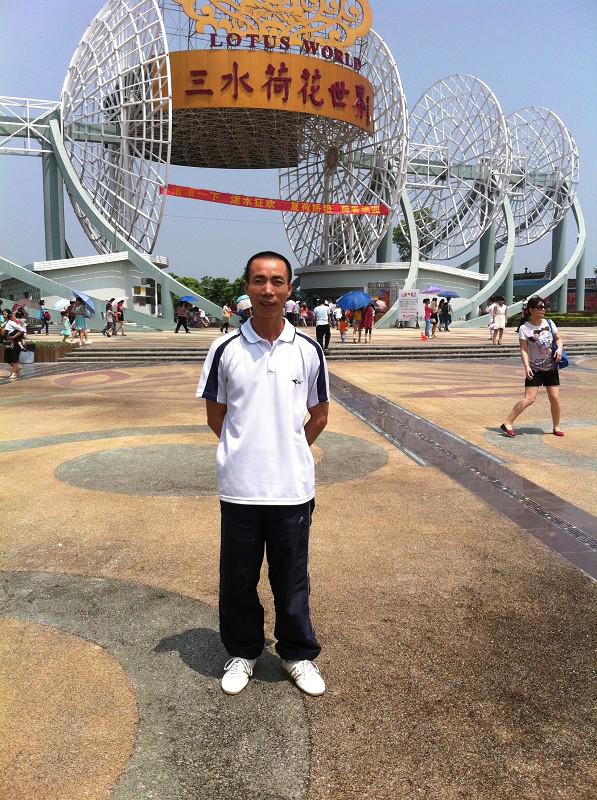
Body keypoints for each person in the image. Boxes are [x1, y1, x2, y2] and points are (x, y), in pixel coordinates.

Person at [197, 250, 329, 698]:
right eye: (259, 281)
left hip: (291, 488)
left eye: (276, 281)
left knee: (291, 578)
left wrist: (286, 448)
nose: (268, 290)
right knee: (238, 578)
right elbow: (216, 415)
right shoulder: (224, 350)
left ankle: (297, 654)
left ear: (289, 289)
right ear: (247, 288)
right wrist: (246, 450)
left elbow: (319, 415)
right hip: (240, 487)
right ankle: (243, 651)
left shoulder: (308, 349)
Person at [500, 296, 565, 437]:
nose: (543, 309)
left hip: (551, 367)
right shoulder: (524, 328)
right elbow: (523, 349)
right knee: (529, 399)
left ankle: (556, 426)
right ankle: (507, 423)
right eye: (539, 307)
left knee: (555, 398)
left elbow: (558, 339)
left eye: (544, 307)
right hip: (534, 369)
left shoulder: (549, 323)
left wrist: (559, 349)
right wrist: (526, 367)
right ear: (530, 310)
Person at [3, 310, 27, 381]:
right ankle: (17, 368)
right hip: (8, 343)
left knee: (14, 358)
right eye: (3, 314)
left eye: (5, 314)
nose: (4, 316)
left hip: (15, 342)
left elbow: (22, 330)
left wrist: (13, 337)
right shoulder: (6, 322)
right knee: (7, 358)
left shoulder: (12, 323)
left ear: (9, 314)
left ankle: (14, 373)